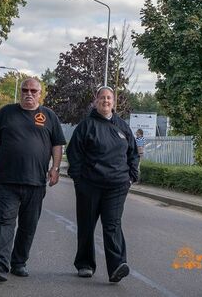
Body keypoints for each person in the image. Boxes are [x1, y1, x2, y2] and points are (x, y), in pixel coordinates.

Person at [0, 77, 66, 282]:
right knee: (5, 221)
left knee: (29, 225)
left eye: (33, 91)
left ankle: (19, 263)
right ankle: (0, 265)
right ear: (21, 92)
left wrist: (55, 168)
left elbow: (57, 145)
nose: (29, 93)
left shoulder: (49, 116)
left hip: (36, 182)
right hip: (7, 180)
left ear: (40, 94)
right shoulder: (5, 113)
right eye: (25, 90)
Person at [66, 86, 139, 284]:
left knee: (112, 225)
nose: (106, 101)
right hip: (89, 186)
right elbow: (74, 154)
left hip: (117, 187)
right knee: (87, 225)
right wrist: (79, 180)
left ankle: (117, 266)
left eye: (109, 98)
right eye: (102, 98)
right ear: (96, 101)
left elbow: (133, 153)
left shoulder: (123, 126)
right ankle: (85, 264)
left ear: (113, 102)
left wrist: (132, 176)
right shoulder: (86, 125)